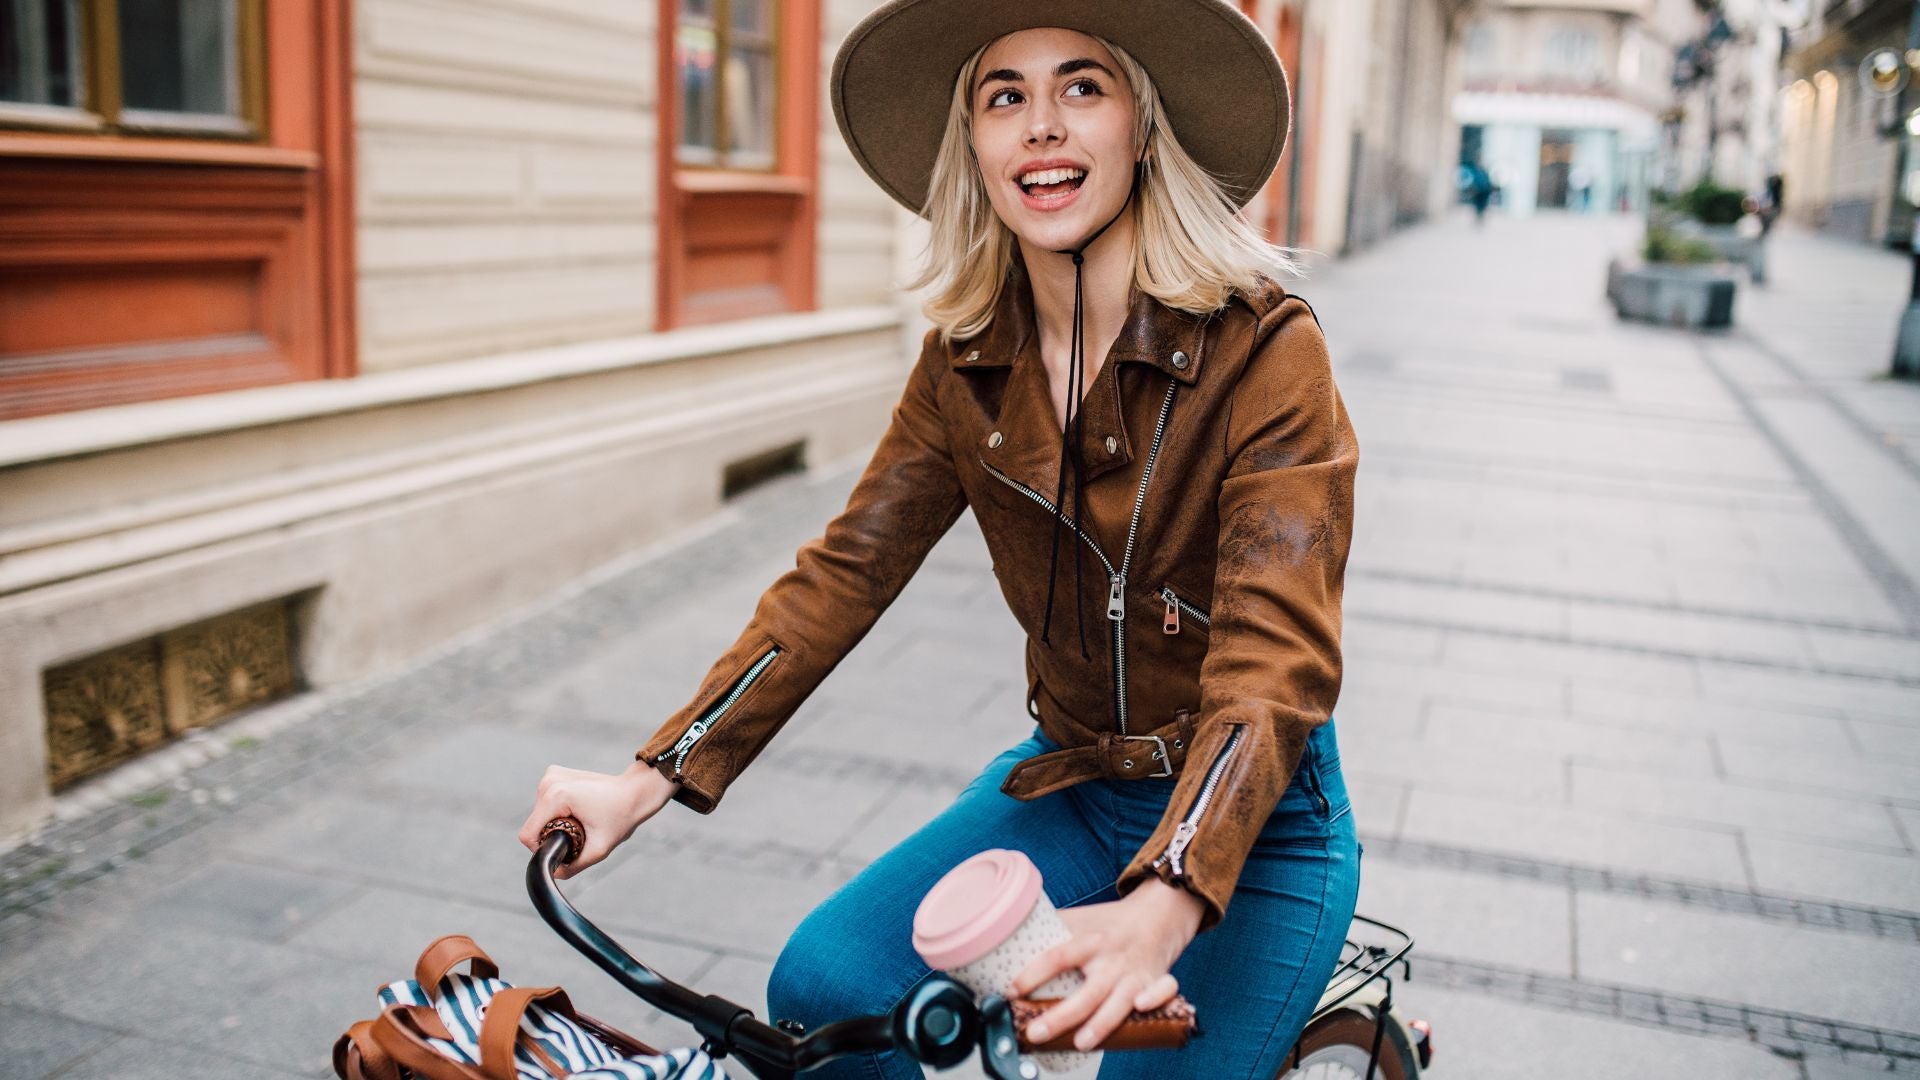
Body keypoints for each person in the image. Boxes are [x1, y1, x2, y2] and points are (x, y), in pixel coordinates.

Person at [519, 1, 1361, 1075]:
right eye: (1003, 96)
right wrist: (647, 779)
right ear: (975, 144)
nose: (1040, 125)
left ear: (1143, 127)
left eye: (1082, 87)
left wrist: (1169, 896)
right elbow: (844, 573)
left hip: (1258, 823)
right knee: (823, 993)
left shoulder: (1268, 353)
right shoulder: (966, 362)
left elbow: (1273, 658)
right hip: (1071, 783)